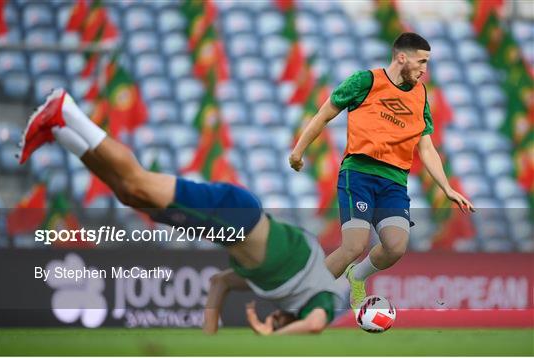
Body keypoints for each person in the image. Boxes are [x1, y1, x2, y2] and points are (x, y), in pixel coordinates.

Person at [18, 88, 341, 335]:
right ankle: (67, 109)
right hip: (234, 214)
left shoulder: (273, 286)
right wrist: (275, 336)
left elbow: (219, 282)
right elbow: (314, 324)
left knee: (130, 194)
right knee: (139, 183)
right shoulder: (320, 295)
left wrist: (209, 334)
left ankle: (59, 131)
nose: (273, 318)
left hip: (220, 226)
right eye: (278, 320)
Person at [289, 32, 475, 309]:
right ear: (402, 57)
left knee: (396, 246)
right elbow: (325, 113)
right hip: (359, 174)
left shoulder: (421, 95)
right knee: (353, 246)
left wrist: (446, 187)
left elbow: (426, 147)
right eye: (421, 62)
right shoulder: (365, 81)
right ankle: (302, 299)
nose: (425, 69)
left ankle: (358, 276)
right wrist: (298, 151)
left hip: (395, 182)